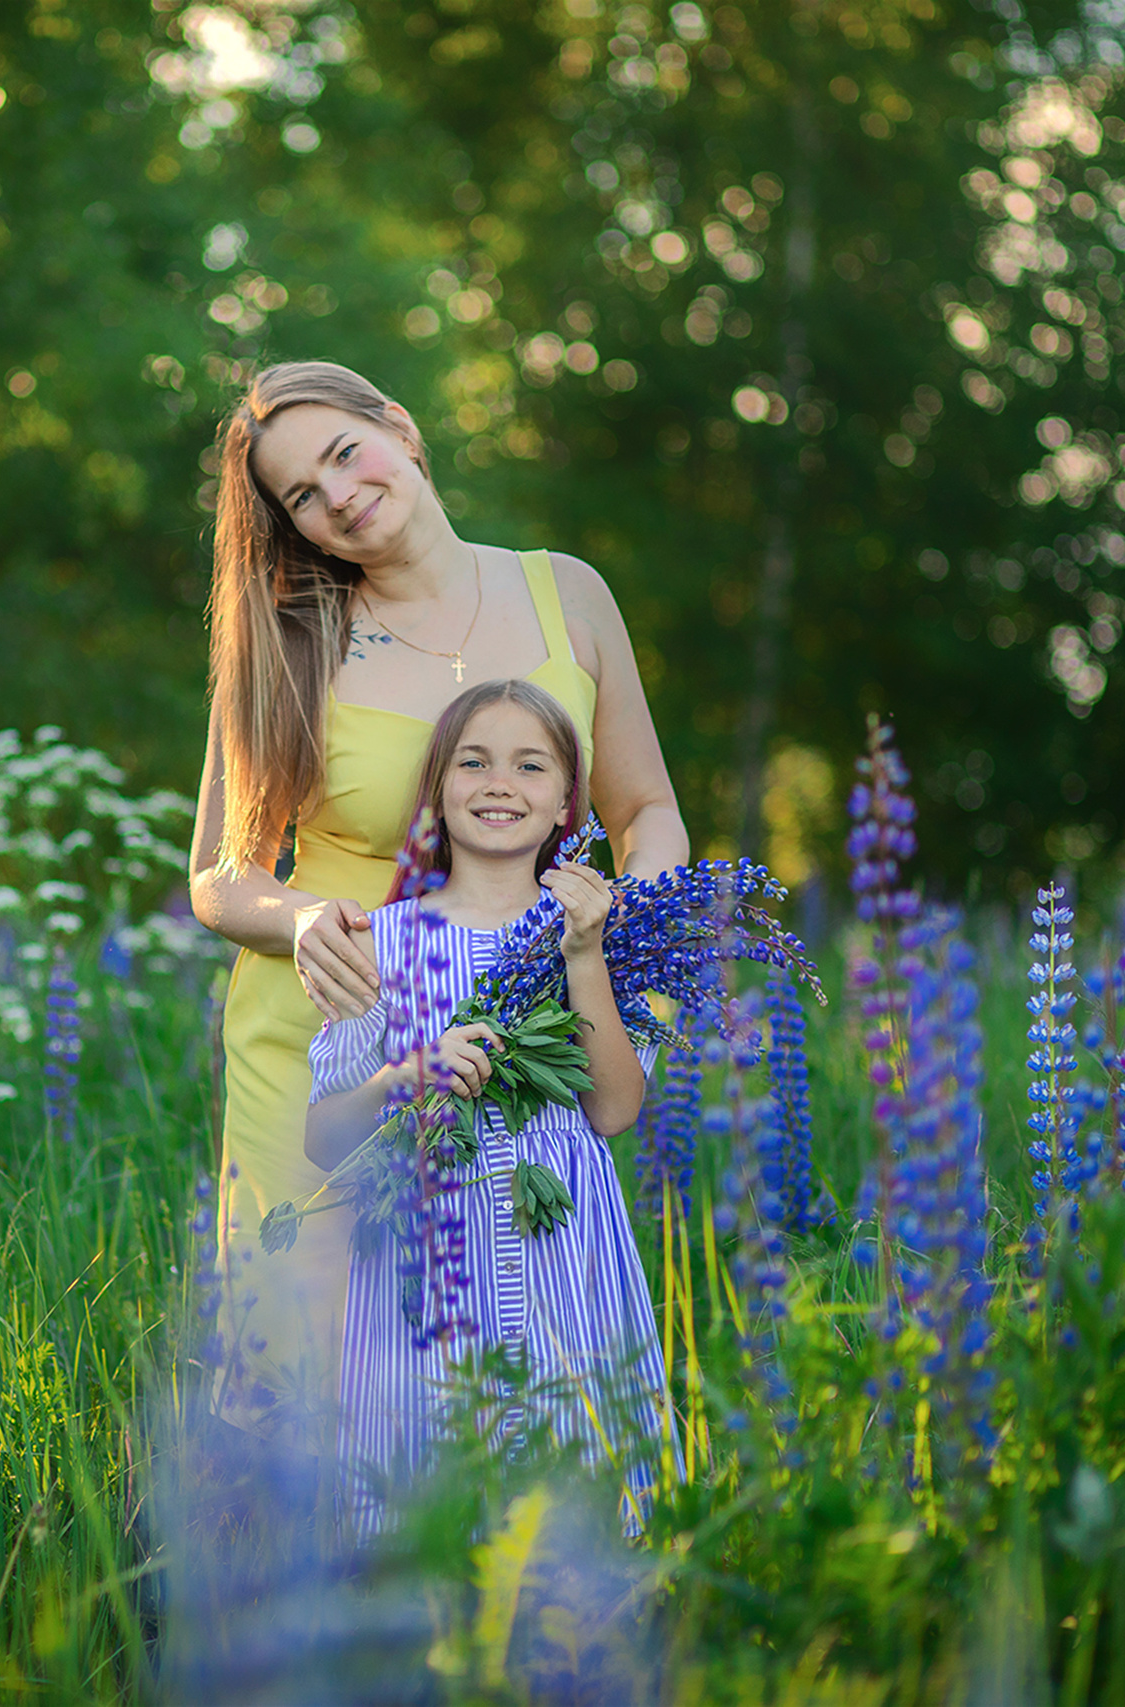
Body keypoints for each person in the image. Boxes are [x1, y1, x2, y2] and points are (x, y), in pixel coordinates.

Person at [187, 360, 689, 1446]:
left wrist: (614, 947)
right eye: (302, 498)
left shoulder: (567, 593)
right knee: (305, 1404)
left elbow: (646, 807)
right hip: (339, 1046)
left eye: (341, 454)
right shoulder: (289, 639)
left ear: (400, 429)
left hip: (516, 1048)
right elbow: (220, 877)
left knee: (523, 1370)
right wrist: (303, 919)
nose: (338, 496)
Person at [306, 678, 670, 1536]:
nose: (498, 782)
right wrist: (409, 1076)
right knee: (431, 1513)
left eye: (529, 765)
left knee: (578, 1497)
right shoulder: (382, 942)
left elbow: (614, 1108)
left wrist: (584, 951)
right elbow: (325, 1138)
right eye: (472, 761)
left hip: (564, 1258)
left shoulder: (599, 931)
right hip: (430, 1263)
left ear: (564, 806)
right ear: (436, 790)